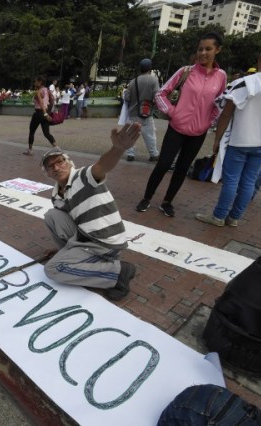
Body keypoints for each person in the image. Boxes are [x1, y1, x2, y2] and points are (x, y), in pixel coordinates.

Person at [42, 122, 142, 301]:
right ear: (48, 174)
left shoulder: (83, 176)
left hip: (104, 242)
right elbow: (65, 221)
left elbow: (102, 166)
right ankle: (70, 255)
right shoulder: (56, 195)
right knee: (51, 215)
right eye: (51, 166)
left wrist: (117, 149)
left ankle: (118, 273)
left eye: (59, 161)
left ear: (69, 162)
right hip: (86, 237)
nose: (56, 167)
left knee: (52, 269)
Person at [136, 32, 226, 217]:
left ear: (217, 50)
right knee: (163, 165)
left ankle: (167, 202)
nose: (203, 53)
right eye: (200, 49)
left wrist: (210, 122)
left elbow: (220, 103)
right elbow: (160, 94)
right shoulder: (185, 71)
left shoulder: (221, 77)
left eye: (208, 49)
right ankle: (146, 197)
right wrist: (172, 112)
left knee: (182, 168)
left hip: (198, 132)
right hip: (177, 128)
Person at [196, 43, 261, 227]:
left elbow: (226, 114)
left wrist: (218, 139)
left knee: (231, 181)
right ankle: (234, 218)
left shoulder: (244, 83)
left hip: (240, 140)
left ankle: (218, 217)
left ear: (260, 57)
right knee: (249, 181)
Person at [124, 58, 160, 162]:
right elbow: (156, 96)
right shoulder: (154, 80)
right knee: (149, 134)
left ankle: (130, 154)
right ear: (150, 68)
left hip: (133, 113)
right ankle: (153, 154)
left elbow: (127, 98)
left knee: (131, 134)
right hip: (146, 112)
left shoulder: (132, 81)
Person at [23, 75, 57, 156]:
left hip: (38, 113)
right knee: (46, 133)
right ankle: (57, 148)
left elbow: (41, 103)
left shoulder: (38, 92)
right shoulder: (47, 90)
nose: (34, 83)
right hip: (44, 113)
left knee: (32, 131)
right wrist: (48, 112)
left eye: (36, 81)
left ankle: (30, 150)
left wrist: (45, 113)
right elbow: (52, 101)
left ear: (40, 82)